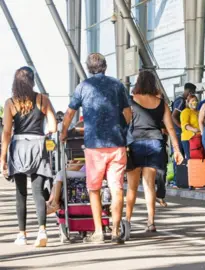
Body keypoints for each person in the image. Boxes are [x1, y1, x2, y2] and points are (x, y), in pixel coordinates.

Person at [61, 53, 132, 244]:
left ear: (88, 68)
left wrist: (63, 132)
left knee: (94, 188)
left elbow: (69, 113)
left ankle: (99, 232)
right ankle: (116, 230)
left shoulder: (83, 87)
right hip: (117, 144)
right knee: (117, 187)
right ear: (105, 66)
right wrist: (121, 128)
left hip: (94, 146)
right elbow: (128, 112)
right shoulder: (117, 85)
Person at [1, 66, 57, 247]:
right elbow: (53, 126)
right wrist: (46, 133)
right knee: (38, 192)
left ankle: (22, 235)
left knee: (20, 193)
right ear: (32, 81)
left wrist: (2, 157)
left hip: (18, 147)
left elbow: (7, 132)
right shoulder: (42, 99)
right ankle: (42, 231)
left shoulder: (10, 103)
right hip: (38, 146)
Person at [124, 70, 183, 239]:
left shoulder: (131, 100)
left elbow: (125, 122)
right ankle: (150, 222)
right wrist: (177, 150)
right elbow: (170, 128)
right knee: (149, 185)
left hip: (135, 144)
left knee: (133, 186)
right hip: (155, 143)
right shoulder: (161, 102)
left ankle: (127, 220)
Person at [171, 83, 197, 187]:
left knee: (179, 155)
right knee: (180, 155)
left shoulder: (178, 100)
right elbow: (174, 116)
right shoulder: (181, 101)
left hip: (177, 132)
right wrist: (182, 128)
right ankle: (177, 180)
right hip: (179, 132)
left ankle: (178, 180)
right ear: (189, 92)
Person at [180, 95, 200, 159]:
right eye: (193, 101)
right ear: (188, 102)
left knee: (199, 157)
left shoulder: (198, 112)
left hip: (198, 137)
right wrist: (194, 129)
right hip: (188, 138)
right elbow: (185, 125)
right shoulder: (185, 111)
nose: (195, 102)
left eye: (196, 101)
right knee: (191, 158)